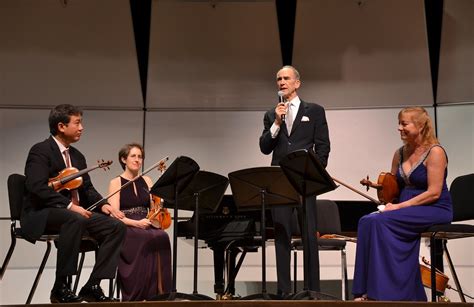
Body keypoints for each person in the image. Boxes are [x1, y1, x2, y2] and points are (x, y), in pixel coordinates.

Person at [22, 104, 127, 303]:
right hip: (43, 213)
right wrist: (70, 206)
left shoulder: (77, 156)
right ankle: (60, 287)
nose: (81, 127)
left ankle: (93, 285)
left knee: (116, 226)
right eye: (77, 123)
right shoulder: (40, 151)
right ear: (61, 126)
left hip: (74, 216)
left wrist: (103, 205)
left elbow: (87, 189)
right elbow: (37, 187)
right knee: (75, 218)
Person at [352, 107, 453, 301]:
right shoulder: (399, 153)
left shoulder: (436, 152)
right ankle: (364, 290)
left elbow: (433, 193)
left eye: (404, 123)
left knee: (381, 222)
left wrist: (397, 207)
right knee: (366, 221)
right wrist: (381, 189)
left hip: (434, 208)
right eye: (399, 123)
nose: (399, 128)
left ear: (421, 125)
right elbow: (394, 189)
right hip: (407, 207)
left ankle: (384, 293)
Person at [259, 65, 330, 297]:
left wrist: (314, 171)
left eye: (286, 78)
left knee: (309, 234)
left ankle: (313, 290)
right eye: (278, 78)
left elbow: (323, 146)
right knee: (281, 234)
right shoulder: (271, 114)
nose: (282, 82)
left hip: (305, 179)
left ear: (297, 83)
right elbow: (264, 147)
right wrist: (277, 124)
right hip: (279, 180)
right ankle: (283, 291)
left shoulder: (315, 111)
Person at [107, 143, 171, 301]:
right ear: (124, 159)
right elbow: (115, 215)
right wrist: (136, 223)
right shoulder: (116, 182)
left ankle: (159, 294)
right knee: (144, 237)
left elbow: (154, 206)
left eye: (140, 157)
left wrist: (160, 202)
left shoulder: (147, 180)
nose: (137, 160)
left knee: (162, 236)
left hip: (146, 221)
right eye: (133, 156)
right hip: (127, 224)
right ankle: (136, 294)